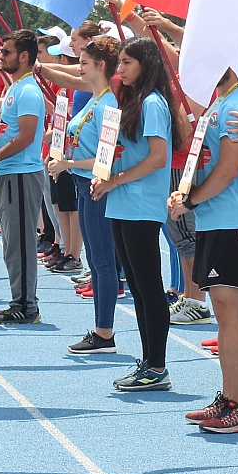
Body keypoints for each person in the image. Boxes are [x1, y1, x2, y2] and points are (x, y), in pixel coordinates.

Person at [175, 62, 238, 434]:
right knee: (225, 315)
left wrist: (190, 200)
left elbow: (228, 170)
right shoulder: (220, 102)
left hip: (229, 220)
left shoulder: (236, 104)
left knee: (232, 315)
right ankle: (229, 398)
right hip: (216, 220)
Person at [96, 37, 177, 391]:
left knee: (148, 287)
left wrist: (116, 180)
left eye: (127, 62)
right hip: (124, 203)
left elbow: (159, 157)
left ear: (145, 63)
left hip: (142, 204)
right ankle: (149, 361)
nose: (120, 69)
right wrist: (106, 177)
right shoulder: (132, 102)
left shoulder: (154, 104)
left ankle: (157, 365)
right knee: (139, 289)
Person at [56, 36, 121, 352]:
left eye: (84, 63)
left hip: (97, 187)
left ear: (101, 66)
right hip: (83, 184)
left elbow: (105, 159)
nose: (78, 67)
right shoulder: (96, 100)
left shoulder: (109, 105)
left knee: (103, 261)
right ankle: (101, 329)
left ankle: (104, 331)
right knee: (96, 261)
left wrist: (66, 162)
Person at [0, 30, 48, 325]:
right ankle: (19, 300)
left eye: (7, 52)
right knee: (12, 243)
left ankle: (26, 305)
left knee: (21, 244)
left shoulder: (27, 91)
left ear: (24, 56)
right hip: (9, 173)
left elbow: (25, 136)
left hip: (22, 175)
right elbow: (7, 134)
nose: (1, 56)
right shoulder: (15, 88)